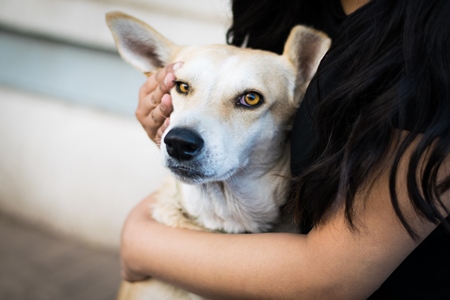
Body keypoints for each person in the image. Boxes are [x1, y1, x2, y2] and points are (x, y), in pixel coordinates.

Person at [123, 0, 450, 298]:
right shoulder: (280, 9)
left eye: (248, 98)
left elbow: (332, 279)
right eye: (184, 87)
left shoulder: (432, 37)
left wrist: (139, 242)